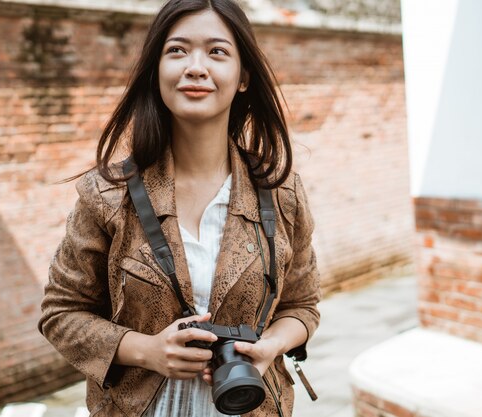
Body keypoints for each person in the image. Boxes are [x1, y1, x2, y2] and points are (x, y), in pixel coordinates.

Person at [38, 1, 320, 416]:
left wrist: (269, 347)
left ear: (243, 77)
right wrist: (147, 350)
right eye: (177, 50)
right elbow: (61, 313)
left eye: (217, 51)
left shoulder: (281, 193)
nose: (195, 67)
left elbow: (303, 306)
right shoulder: (107, 195)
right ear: (156, 72)